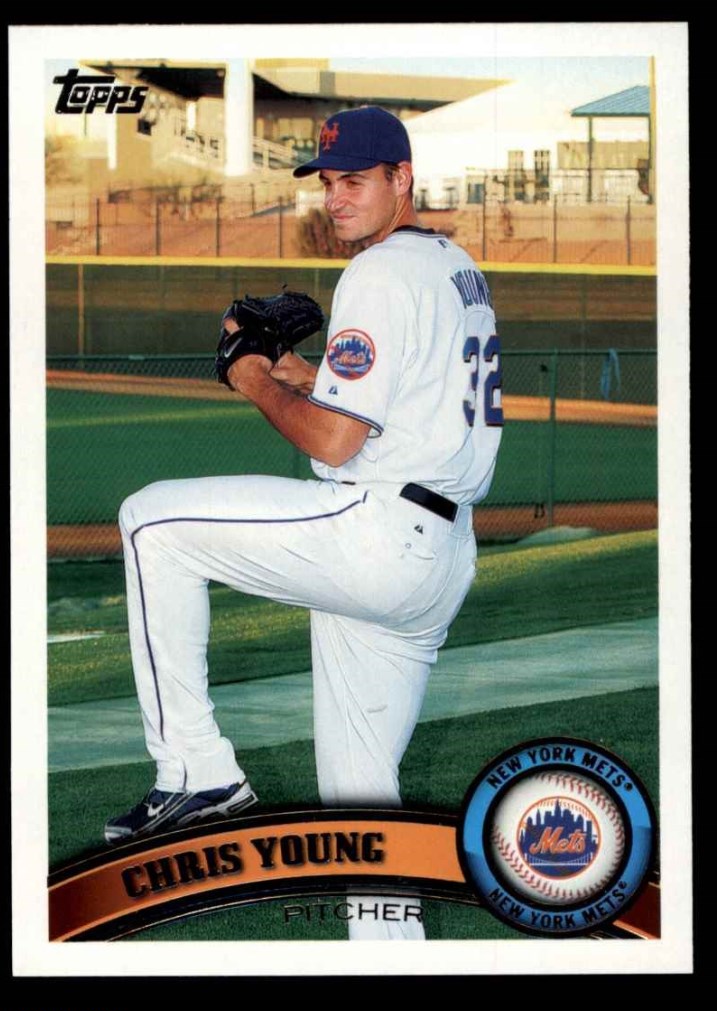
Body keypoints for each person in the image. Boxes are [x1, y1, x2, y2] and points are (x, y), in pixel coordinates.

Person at [106, 106, 503, 940]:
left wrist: (252, 379)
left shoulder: (377, 272)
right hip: (440, 556)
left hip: (377, 536)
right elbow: (393, 404)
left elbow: (333, 440)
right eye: (327, 182)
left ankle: (197, 770)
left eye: (354, 180)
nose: (336, 198)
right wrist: (294, 370)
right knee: (362, 804)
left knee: (150, 523)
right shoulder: (453, 265)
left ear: (401, 177)